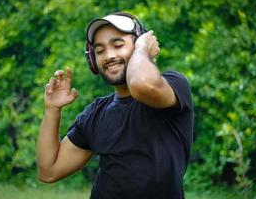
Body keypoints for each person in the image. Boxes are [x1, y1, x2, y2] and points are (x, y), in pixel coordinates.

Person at [37, 12, 194, 199]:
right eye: (100, 50)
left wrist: (143, 46)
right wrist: (52, 109)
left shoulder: (174, 85)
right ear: (93, 61)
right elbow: (49, 171)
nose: (109, 56)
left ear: (138, 45)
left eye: (118, 45)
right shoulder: (95, 113)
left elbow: (141, 84)